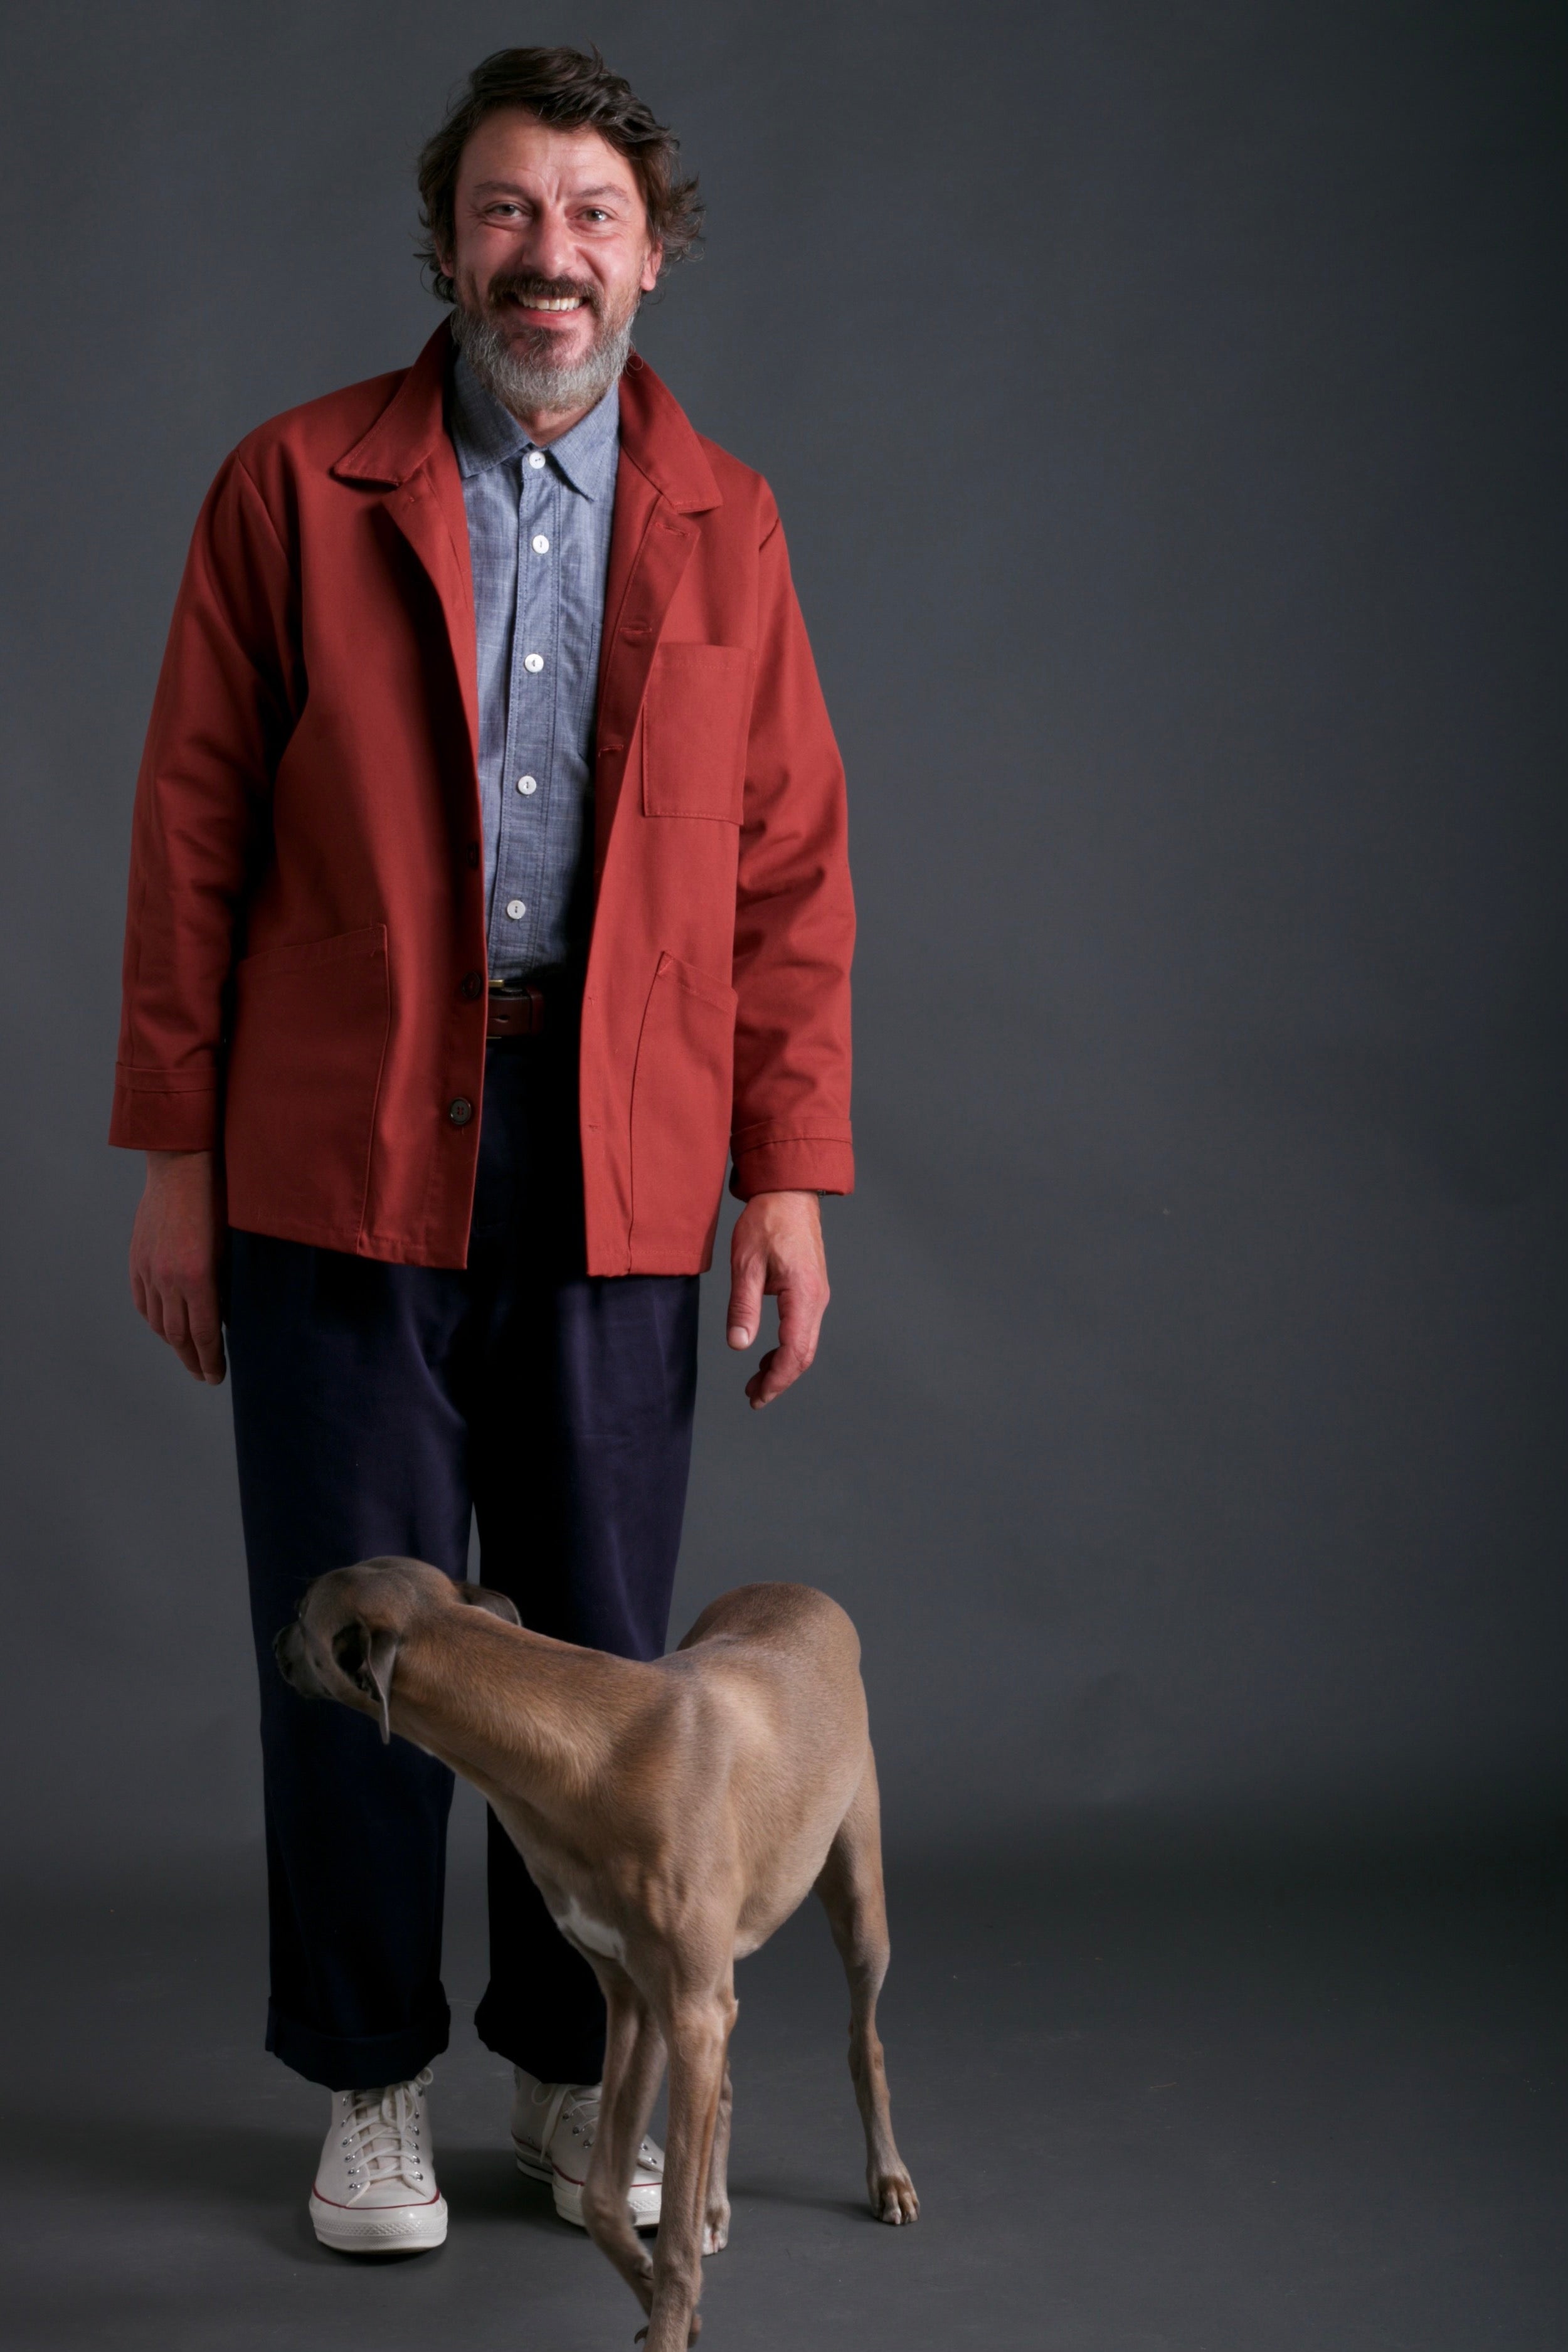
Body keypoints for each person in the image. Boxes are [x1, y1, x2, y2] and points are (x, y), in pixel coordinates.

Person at [111, 46, 854, 2256]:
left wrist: (786, 1173)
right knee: (365, 1628)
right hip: (332, 1143)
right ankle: (366, 2083)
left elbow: (789, 871)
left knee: (602, 1648)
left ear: (652, 252)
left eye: (593, 218)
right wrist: (173, 1153)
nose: (552, 259)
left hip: (619, 1143)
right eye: (511, 214)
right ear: (451, 242)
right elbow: (189, 834)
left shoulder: (727, 517)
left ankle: (567, 2075)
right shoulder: (291, 487)